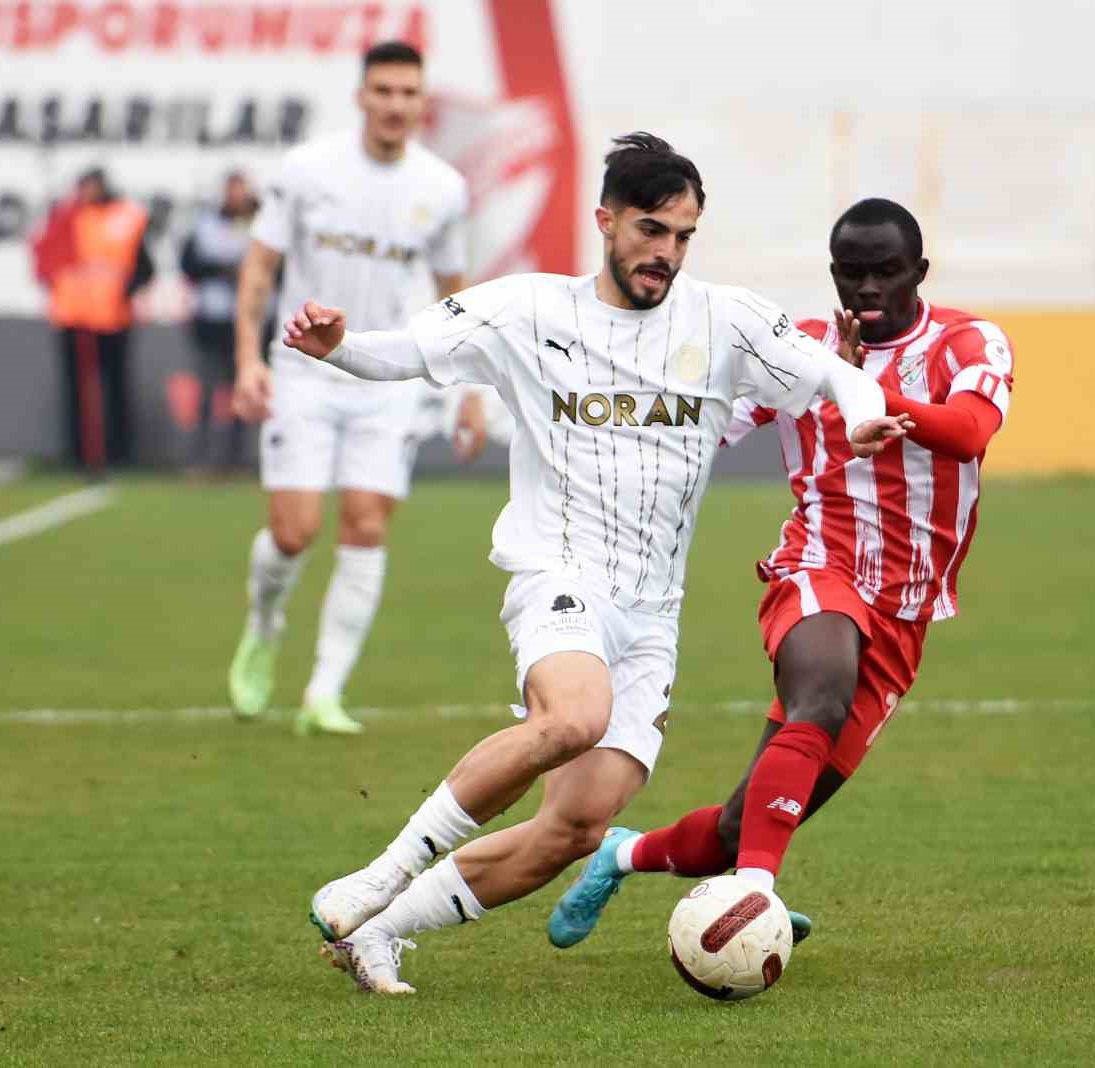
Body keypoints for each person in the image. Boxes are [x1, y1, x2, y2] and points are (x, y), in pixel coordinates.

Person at [281, 133, 910, 994]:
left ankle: (380, 932)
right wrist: (339, 345)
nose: (668, 253)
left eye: (684, 236)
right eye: (652, 230)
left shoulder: (724, 321)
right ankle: (379, 875)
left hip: (652, 614)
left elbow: (836, 378)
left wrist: (865, 411)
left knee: (575, 827)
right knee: (573, 717)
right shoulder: (528, 312)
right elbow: (409, 349)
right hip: (559, 572)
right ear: (605, 221)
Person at [544, 198, 1015, 948]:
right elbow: (708, 429)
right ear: (834, 274)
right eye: (852, 273)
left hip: (906, 612)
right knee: (819, 698)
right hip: (817, 566)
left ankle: (622, 854)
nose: (868, 288)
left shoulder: (966, 342)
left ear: (918, 272)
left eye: (886, 273)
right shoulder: (800, 349)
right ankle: (756, 896)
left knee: (744, 823)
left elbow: (969, 431)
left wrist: (863, 392)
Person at [226, 41, 484, 736]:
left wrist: (468, 388)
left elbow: (454, 293)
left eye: (409, 93)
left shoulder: (442, 189)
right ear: (362, 97)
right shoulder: (307, 170)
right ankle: (264, 622)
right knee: (294, 531)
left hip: (388, 375)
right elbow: (259, 268)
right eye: (385, 91)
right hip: (304, 368)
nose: (397, 105)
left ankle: (324, 691)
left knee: (366, 523)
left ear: (421, 103)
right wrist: (248, 360)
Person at [31, 166, 155, 473]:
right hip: (74, 316)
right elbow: (45, 259)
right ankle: (79, 455)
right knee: (76, 390)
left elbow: (144, 267)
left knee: (116, 388)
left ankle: (118, 454)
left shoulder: (127, 217)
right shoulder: (66, 218)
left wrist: (128, 289)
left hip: (113, 317)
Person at [179, 171, 258, 473]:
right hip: (212, 318)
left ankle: (237, 458)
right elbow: (189, 265)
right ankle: (202, 457)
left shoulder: (257, 223)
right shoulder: (206, 224)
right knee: (208, 388)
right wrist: (221, 271)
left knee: (243, 389)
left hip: (246, 319)